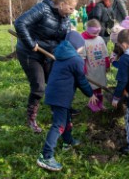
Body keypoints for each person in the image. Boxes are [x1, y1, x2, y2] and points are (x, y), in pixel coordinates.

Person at [14, 0, 78, 133]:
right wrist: (31, 44)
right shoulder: (42, 9)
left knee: (56, 82)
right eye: (71, 8)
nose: (72, 12)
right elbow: (19, 23)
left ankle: (57, 111)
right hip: (30, 52)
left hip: (49, 54)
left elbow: (63, 39)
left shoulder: (65, 17)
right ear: (62, 4)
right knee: (39, 87)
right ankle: (31, 119)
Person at [37, 31, 98, 171]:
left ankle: (68, 142)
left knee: (66, 119)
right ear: (77, 46)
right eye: (82, 46)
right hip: (60, 97)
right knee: (59, 125)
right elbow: (81, 80)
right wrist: (90, 94)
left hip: (54, 93)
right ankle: (46, 156)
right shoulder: (76, 59)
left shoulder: (59, 54)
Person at [81, 19, 110, 111]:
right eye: (94, 33)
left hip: (100, 68)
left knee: (100, 86)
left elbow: (105, 53)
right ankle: (92, 103)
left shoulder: (100, 39)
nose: (96, 35)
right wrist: (83, 68)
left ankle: (100, 103)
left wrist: (107, 64)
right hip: (91, 69)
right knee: (93, 87)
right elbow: (83, 57)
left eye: (98, 33)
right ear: (88, 31)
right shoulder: (84, 41)